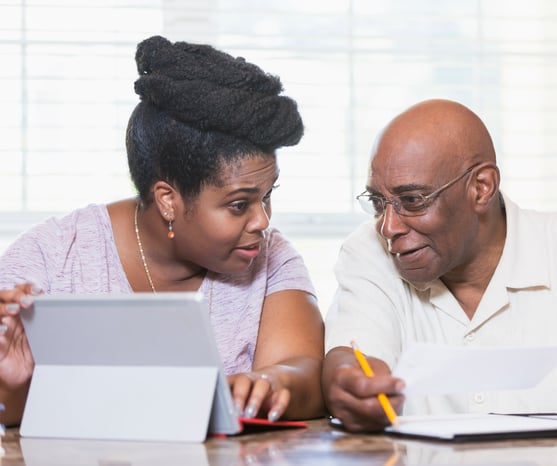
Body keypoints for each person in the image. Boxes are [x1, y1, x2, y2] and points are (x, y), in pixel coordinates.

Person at [0, 35, 325, 426]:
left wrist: (272, 382)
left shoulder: (272, 258)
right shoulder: (49, 259)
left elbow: (305, 372)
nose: (262, 221)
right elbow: (15, 408)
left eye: (267, 196)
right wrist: (15, 388)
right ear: (168, 200)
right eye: (239, 204)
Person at [322, 98, 557, 432]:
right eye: (377, 202)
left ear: (481, 188)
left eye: (413, 200)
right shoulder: (369, 252)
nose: (388, 226)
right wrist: (348, 382)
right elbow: (353, 356)